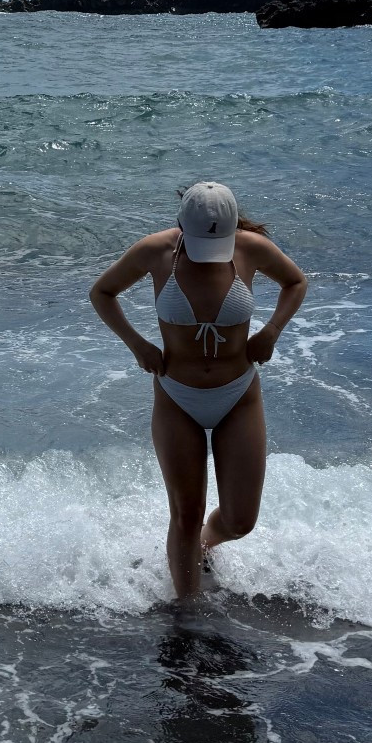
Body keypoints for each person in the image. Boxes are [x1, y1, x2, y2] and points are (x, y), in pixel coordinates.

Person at [89, 181, 307, 600]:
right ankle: (187, 617)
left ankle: (208, 544)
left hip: (238, 394)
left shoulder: (250, 247)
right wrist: (137, 344)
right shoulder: (155, 251)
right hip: (177, 396)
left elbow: (295, 282)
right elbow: (102, 292)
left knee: (241, 520)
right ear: (181, 226)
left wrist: (272, 331)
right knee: (184, 515)